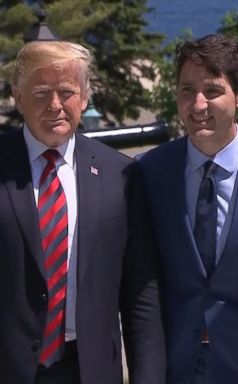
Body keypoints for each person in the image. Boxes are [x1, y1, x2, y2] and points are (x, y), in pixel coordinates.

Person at [0, 41, 165, 384]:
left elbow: (140, 294)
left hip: (90, 369)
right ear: (18, 96)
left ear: (85, 97)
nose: (55, 105)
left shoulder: (121, 175)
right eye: (42, 93)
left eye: (67, 92)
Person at [138, 34, 238, 384]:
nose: (198, 104)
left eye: (212, 91)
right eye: (187, 90)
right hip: (176, 365)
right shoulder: (150, 172)